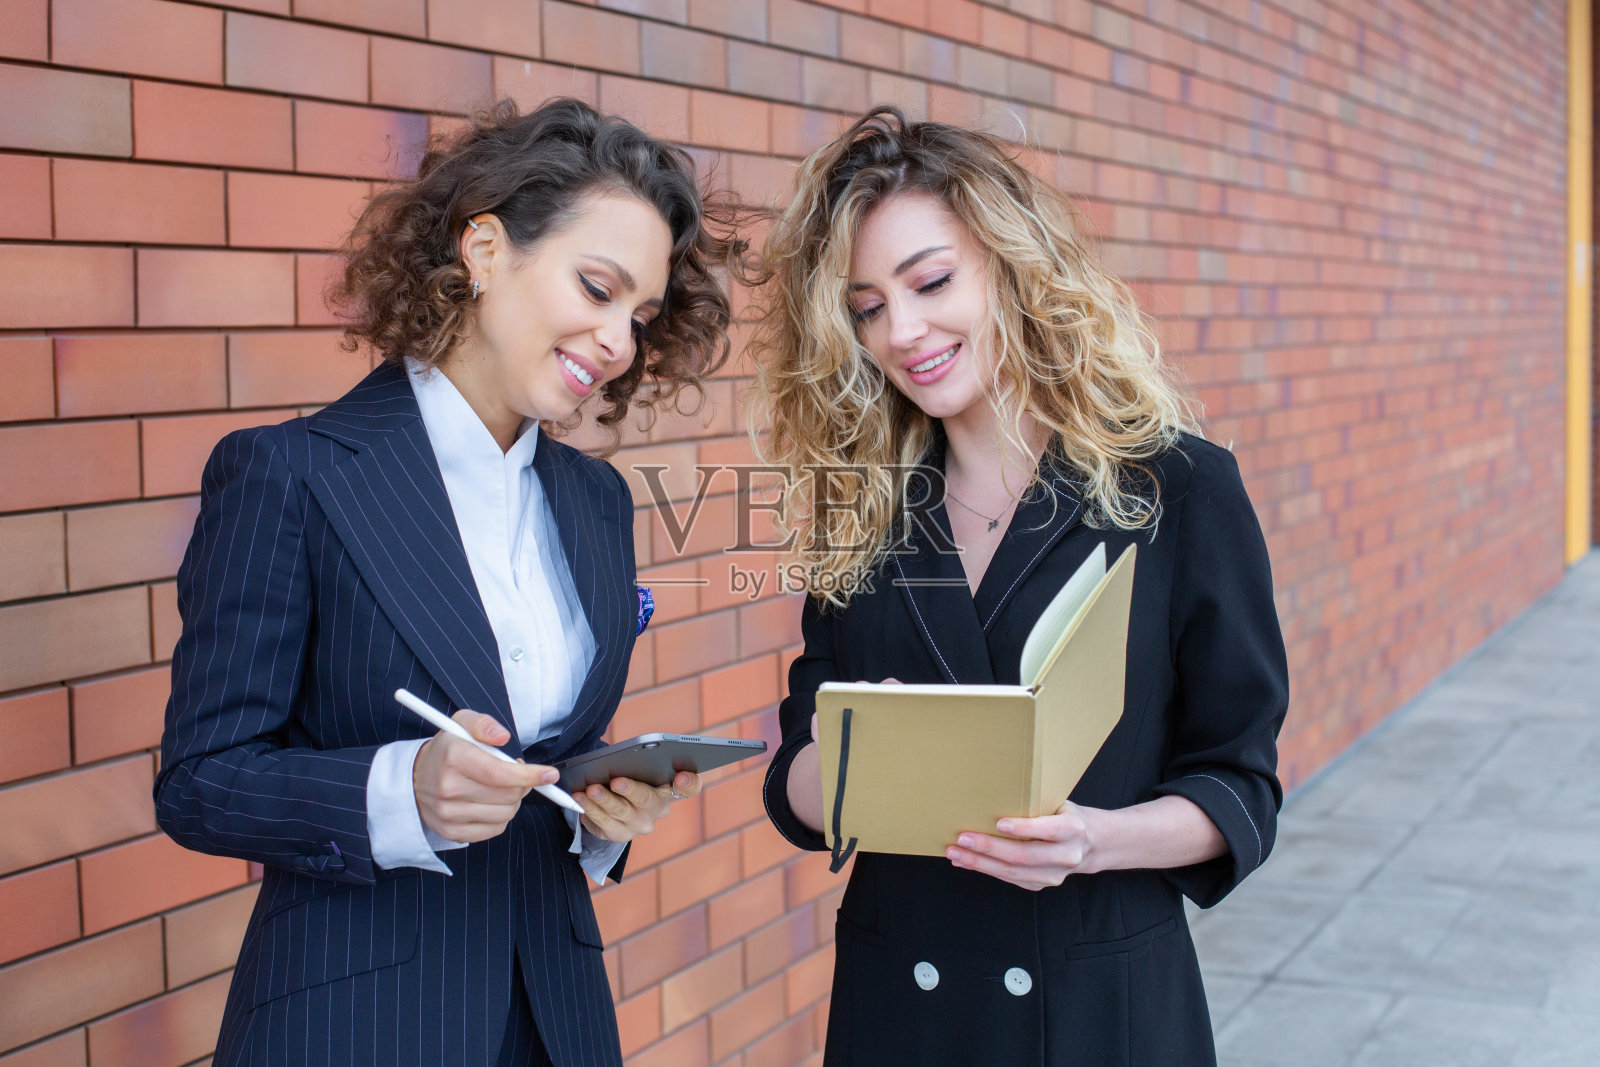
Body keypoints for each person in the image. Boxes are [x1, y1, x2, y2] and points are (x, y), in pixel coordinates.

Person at [155, 98, 731, 1067]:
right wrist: (400, 788)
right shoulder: (290, 475)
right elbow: (200, 783)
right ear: (485, 248)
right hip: (357, 1023)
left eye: (638, 315)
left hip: (557, 1019)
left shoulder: (594, 501)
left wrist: (598, 817)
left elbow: (554, 755)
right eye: (596, 287)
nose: (620, 341)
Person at [752, 107, 1290, 1066]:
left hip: (1098, 1004)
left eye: (930, 282)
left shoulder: (1177, 488)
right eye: (867, 306)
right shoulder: (863, 508)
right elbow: (796, 775)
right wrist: (848, 763)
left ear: (1014, 264)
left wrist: (1096, 839)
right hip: (903, 1007)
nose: (901, 331)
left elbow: (1239, 781)